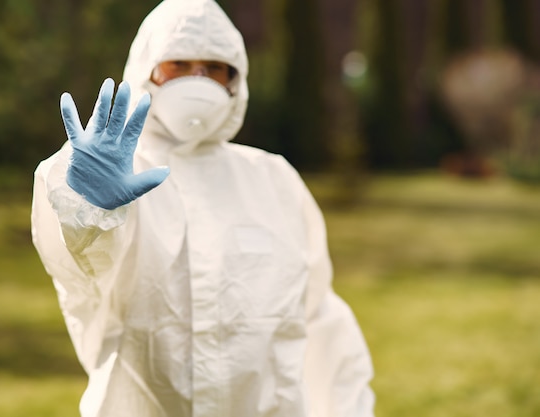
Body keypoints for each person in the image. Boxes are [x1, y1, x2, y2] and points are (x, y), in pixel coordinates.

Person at [31, 0, 376, 416]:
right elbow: (79, 271)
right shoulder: (116, 176)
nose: (197, 80)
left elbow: (318, 314)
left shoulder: (272, 179)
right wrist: (85, 205)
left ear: (237, 80)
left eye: (214, 68)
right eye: (178, 64)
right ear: (147, 71)